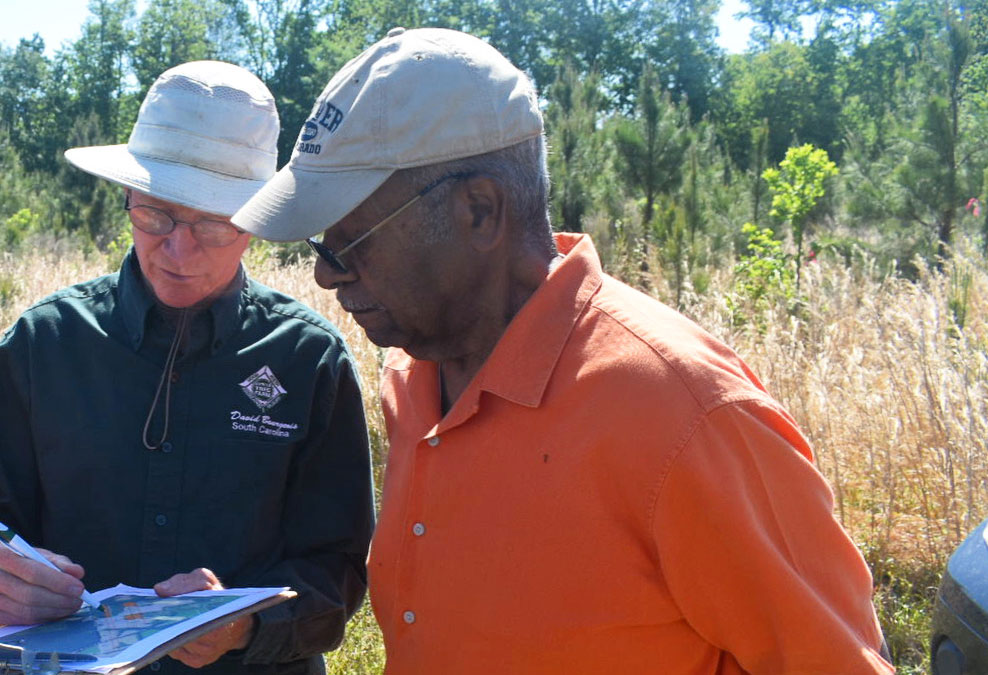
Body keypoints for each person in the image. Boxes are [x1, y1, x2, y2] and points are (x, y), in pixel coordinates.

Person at [229, 27, 894, 675]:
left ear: (481, 211)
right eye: (319, 247)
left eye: (349, 242)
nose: (325, 275)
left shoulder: (684, 414)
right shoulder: (412, 379)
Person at [0, 61, 374, 674]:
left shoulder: (307, 358)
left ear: (257, 223)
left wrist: (243, 626)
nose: (179, 249)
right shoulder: (44, 344)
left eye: (214, 225)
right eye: (156, 215)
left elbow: (339, 574)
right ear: (127, 198)